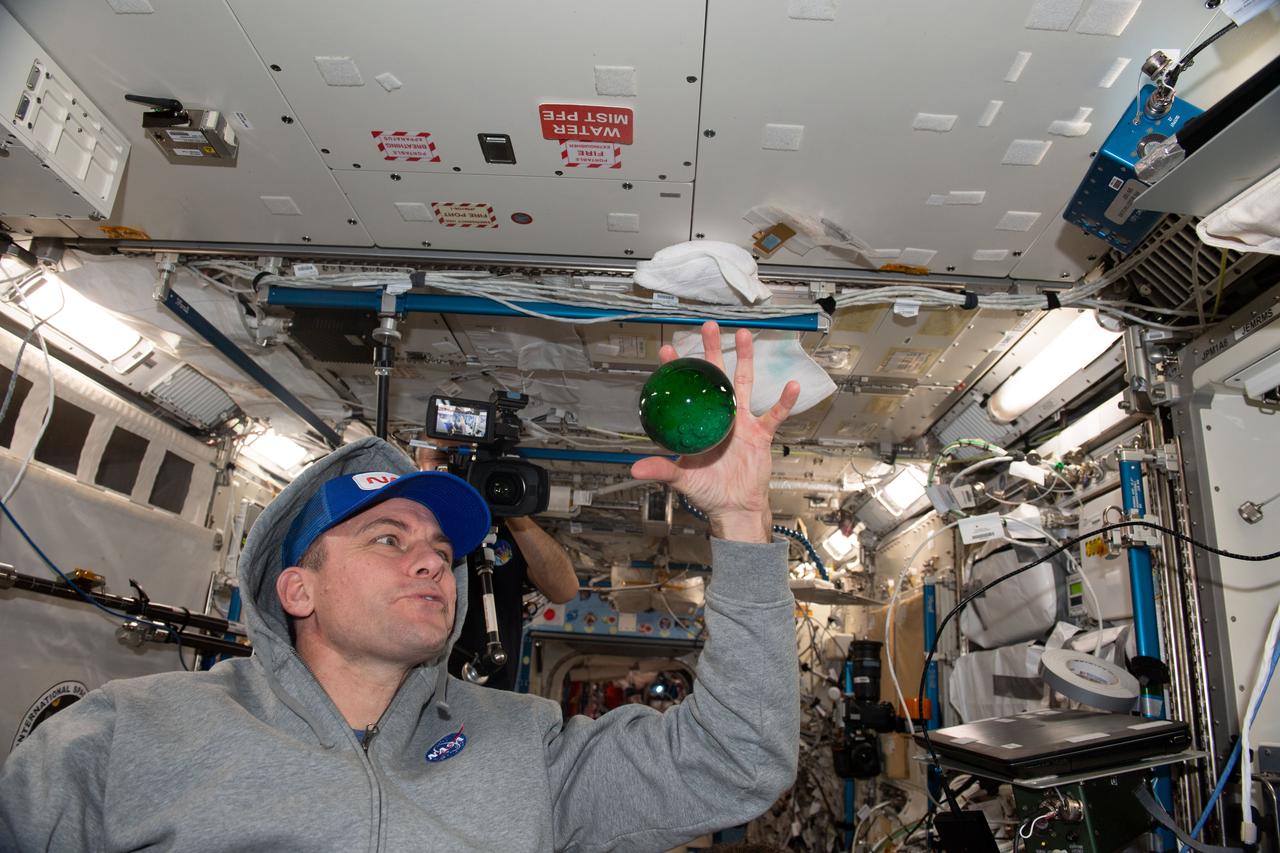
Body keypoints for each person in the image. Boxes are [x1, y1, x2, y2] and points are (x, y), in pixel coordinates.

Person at [0, 321, 802, 852]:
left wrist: (741, 517)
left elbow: (735, 761)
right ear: (297, 589)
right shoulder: (126, 738)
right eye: (388, 538)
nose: (431, 560)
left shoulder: (528, 748)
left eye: (441, 546)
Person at [414, 436, 578, 690]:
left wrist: (512, 510)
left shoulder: (505, 529)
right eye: (443, 459)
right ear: (418, 467)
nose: (456, 469)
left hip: (487, 690)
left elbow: (564, 589)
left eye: (465, 460)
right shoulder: (407, 523)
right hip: (415, 683)